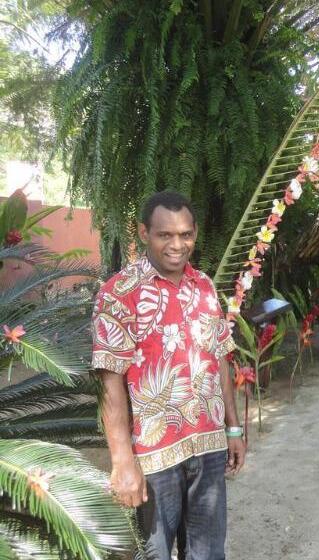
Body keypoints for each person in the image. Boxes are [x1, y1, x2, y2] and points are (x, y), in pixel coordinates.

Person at [91, 191, 245, 560]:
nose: (178, 245)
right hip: (153, 457)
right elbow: (109, 383)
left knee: (208, 553)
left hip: (208, 449)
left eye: (186, 234)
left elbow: (220, 357)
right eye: (166, 235)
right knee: (155, 553)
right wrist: (122, 462)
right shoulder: (118, 296)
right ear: (145, 233)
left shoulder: (206, 288)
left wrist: (234, 429)